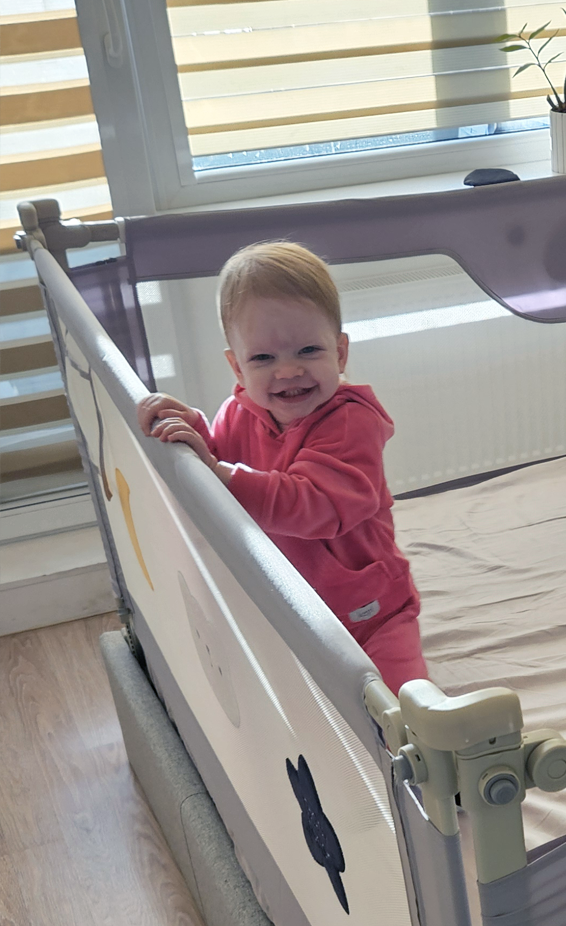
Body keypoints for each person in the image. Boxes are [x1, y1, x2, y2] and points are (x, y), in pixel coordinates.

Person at [137, 240, 427, 694]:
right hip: (284, 604)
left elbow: (315, 503)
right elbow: (221, 460)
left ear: (341, 353)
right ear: (236, 366)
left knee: (401, 706)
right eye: (263, 358)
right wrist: (192, 430)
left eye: (309, 350)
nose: (288, 372)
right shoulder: (239, 412)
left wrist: (221, 474)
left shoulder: (352, 421)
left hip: (367, 611)